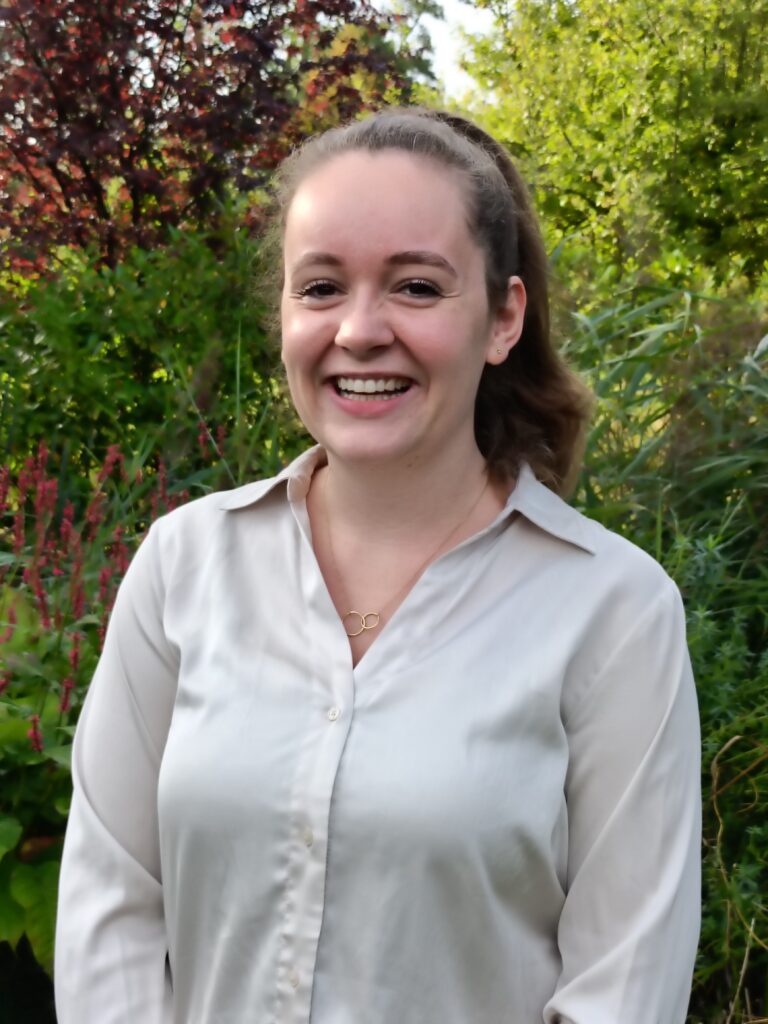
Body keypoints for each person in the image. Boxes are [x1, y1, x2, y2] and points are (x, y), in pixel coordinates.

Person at [55, 107, 701, 1023]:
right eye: (321, 287)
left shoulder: (614, 611)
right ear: (285, 314)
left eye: (416, 287)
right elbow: (110, 908)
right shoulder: (182, 567)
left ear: (503, 318)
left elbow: (625, 986)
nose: (359, 330)